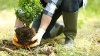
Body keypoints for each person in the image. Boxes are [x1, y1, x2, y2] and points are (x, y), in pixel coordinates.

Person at [14, 0, 86, 47]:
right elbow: (24, 4)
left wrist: (41, 32)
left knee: (68, 1)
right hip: (47, 1)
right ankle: (60, 26)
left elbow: (50, 7)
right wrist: (17, 29)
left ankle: (70, 37)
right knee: (38, 34)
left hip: (72, 2)